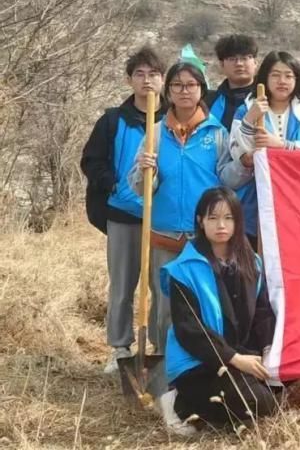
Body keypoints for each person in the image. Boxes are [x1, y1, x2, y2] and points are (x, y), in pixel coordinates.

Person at [129, 62, 253, 360]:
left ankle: (202, 365)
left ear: (201, 90)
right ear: (168, 91)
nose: (184, 91)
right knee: (164, 306)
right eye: (177, 85)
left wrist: (244, 164)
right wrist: (147, 172)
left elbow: (228, 179)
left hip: (205, 237)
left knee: (206, 304)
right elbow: (140, 187)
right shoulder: (155, 133)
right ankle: (163, 363)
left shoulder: (218, 132)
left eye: (191, 85)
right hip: (165, 235)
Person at [159, 187, 277, 435]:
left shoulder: (252, 263)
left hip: (242, 354)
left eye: (228, 218)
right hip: (199, 364)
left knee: (283, 386)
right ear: (200, 221)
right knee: (260, 403)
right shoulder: (183, 269)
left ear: (238, 221)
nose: (221, 225)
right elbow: (189, 329)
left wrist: (268, 350)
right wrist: (235, 359)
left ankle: (225, 401)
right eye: (213, 218)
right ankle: (178, 402)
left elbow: (263, 312)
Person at [80, 46, 167, 374]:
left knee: (162, 288)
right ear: (129, 80)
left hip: (162, 219)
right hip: (123, 214)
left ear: (163, 80)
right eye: (139, 74)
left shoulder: (173, 120)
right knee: (122, 286)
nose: (147, 81)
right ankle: (119, 347)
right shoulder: (113, 120)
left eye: (154, 74)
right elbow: (91, 161)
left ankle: (159, 348)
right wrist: (115, 185)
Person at [229, 51, 300, 248]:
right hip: (254, 202)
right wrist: (250, 119)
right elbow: (236, 152)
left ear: (297, 79)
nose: (282, 81)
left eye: (288, 75)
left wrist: (283, 146)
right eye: (275, 75)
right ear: (265, 77)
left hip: (298, 203)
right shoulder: (247, 109)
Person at [206, 35, 259, 131]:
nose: (239, 63)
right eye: (232, 59)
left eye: (244, 58)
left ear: (255, 63)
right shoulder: (208, 102)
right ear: (222, 65)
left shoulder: (269, 98)